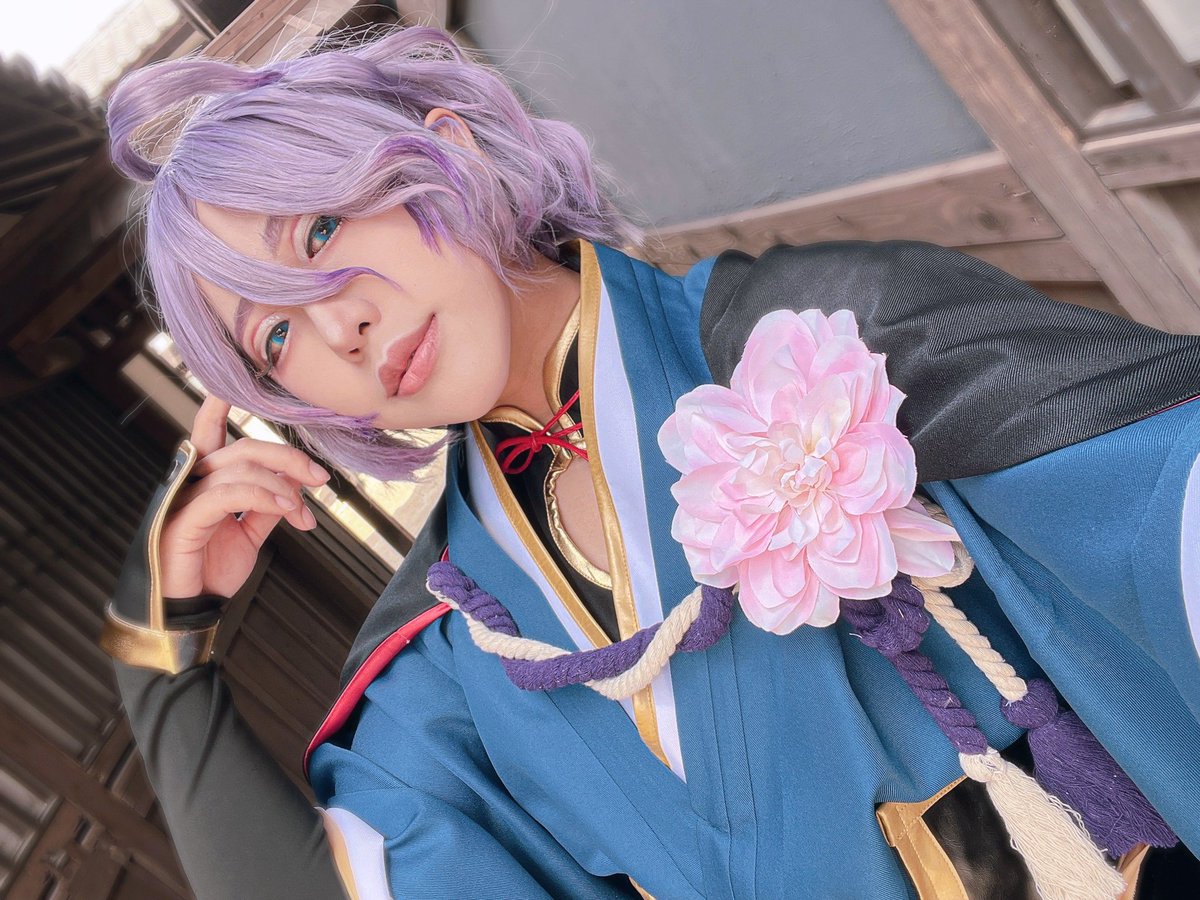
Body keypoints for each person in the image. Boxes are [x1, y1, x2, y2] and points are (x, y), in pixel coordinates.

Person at [101, 24, 1200, 900]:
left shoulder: (815, 336)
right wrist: (155, 662)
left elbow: (1157, 492)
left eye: (319, 232)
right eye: (275, 338)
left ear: (453, 149)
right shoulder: (454, 648)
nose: (336, 326)